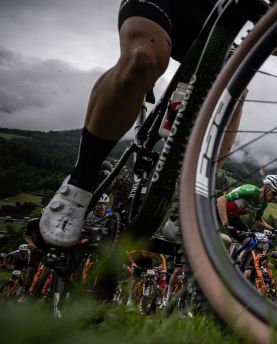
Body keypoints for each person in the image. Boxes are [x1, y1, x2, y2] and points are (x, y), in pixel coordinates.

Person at [39, 0, 243, 248]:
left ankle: (189, 208)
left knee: (235, 88)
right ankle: (79, 183)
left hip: (217, 13)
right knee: (143, 58)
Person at [217, 175, 277, 240]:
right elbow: (221, 200)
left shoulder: (263, 203)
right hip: (219, 211)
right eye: (275, 193)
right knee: (223, 240)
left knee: (250, 241)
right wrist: (225, 224)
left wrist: (273, 230)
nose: (276, 197)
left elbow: (257, 220)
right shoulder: (250, 191)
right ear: (266, 188)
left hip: (233, 217)